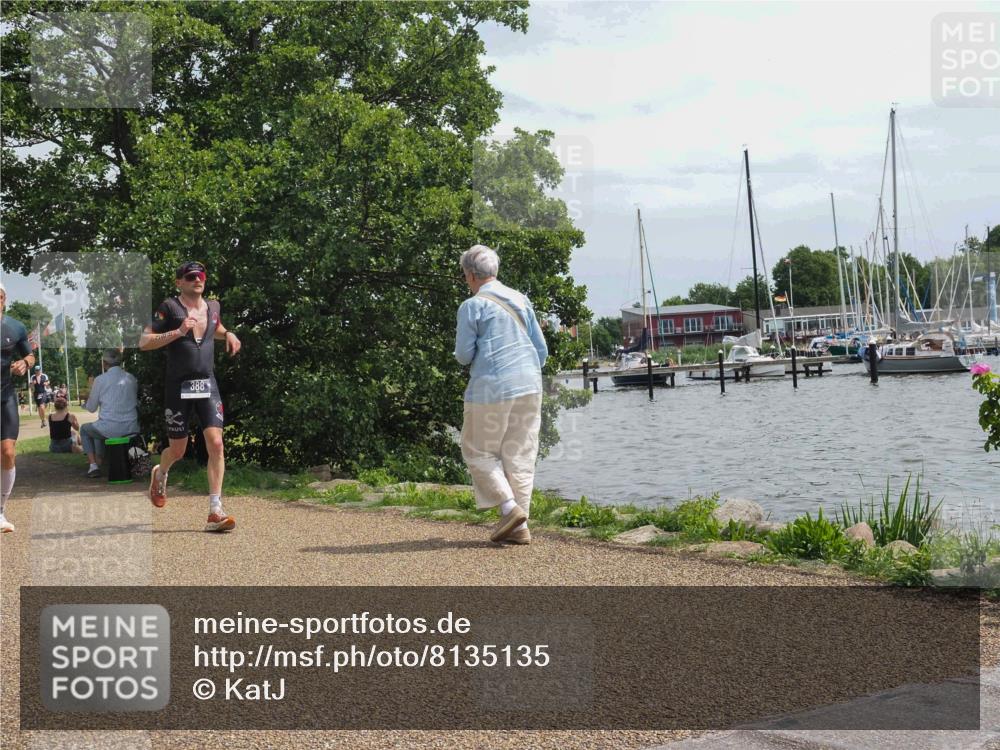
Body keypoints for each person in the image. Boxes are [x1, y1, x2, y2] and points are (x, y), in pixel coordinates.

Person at [454, 245, 548, 545]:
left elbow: (463, 356)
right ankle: (520, 527)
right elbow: (541, 351)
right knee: (520, 455)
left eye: (465, 275)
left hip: (491, 388)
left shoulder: (472, 306)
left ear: (471, 275)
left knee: (477, 451)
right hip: (530, 385)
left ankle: (509, 509)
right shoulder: (520, 299)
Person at [139, 261, 241, 533]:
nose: (198, 279)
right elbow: (144, 341)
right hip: (178, 386)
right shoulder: (169, 308)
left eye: (201, 275)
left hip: (207, 383)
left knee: (216, 443)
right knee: (178, 450)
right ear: (179, 282)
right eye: (191, 276)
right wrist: (178, 332)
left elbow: (214, 327)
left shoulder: (213, 307)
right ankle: (161, 472)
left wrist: (229, 333)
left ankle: (215, 510)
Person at [1, 283, 36, 533]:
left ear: (4, 299)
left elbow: (30, 355)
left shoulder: (15, 327)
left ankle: (0, 511)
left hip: (5, 395)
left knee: (8, 452)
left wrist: (25, 362)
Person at [80, 349, 140, 477]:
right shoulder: (131, 378)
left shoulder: (100, 380)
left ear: (104, 363)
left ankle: (94, 466)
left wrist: (85, 403)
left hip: (110, 428)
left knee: (85, 430)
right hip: (131, 426)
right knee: (98, 428)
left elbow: (92, 408)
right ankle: (101, 460)